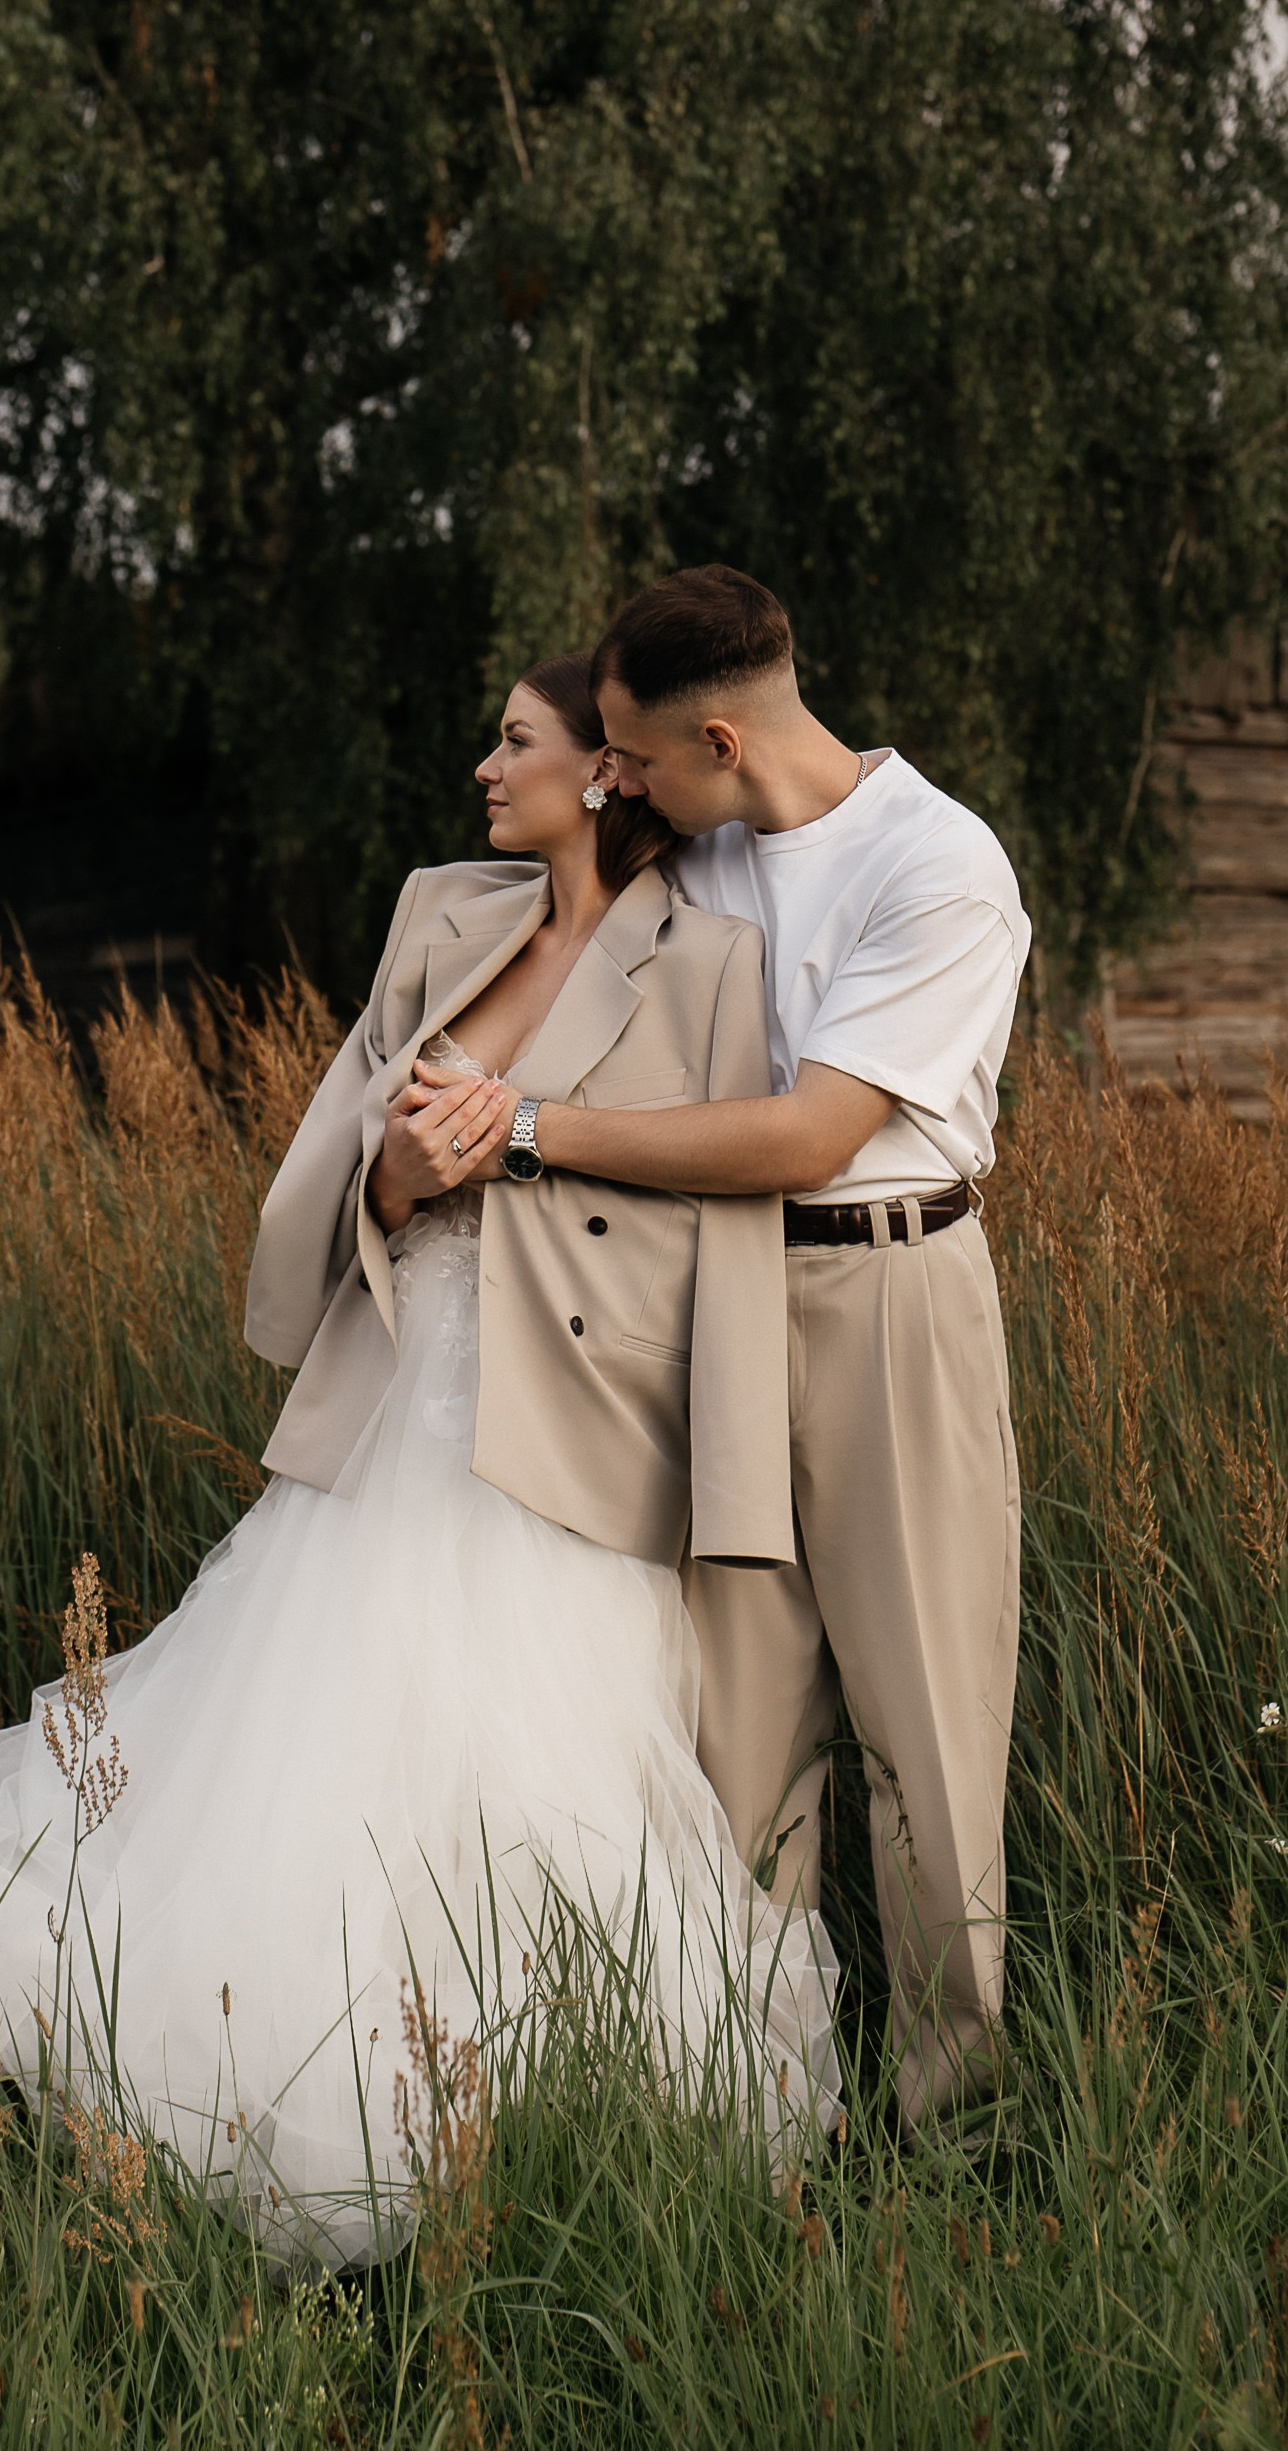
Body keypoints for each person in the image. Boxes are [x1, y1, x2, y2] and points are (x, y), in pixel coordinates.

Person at [0, 650, 836, 2269]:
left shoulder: (715, 963)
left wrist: (725, 1486)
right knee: (321, 1768)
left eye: (511, 739)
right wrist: (395, 1172)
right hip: (398, 1417)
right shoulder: (441, 916)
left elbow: (725, 1231)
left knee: (546, 1790)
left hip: (584, 1443)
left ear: (604, 767)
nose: (482, 767)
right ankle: (316, 2108)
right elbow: (333, 1157)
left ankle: (547, 2140)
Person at [418, 567, 1030, 2127]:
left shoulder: (940, 866)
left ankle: (951, 2132)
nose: (613, 778)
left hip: (892, 1300)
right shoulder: (707, 852)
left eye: (628, 753)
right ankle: (762, 2132)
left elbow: (815, 1133)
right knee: (740, 1752)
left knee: (928, 1746)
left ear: (717, 739)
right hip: (721, 1306)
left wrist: (533, 1136)